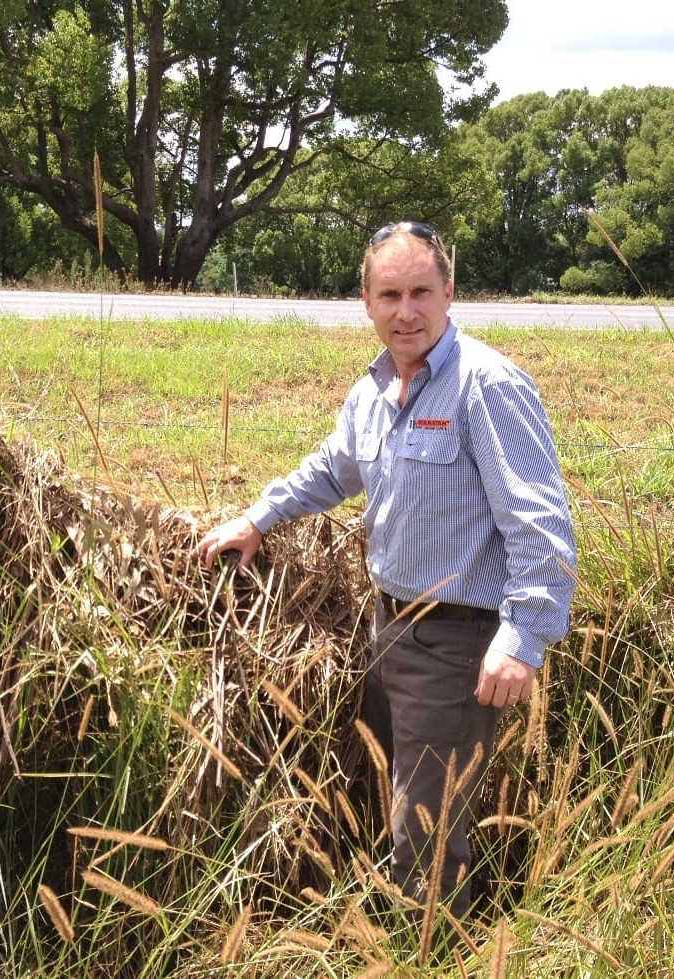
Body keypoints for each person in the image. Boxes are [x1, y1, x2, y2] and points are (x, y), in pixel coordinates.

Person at [196, 220, 576, 934]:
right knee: (383, 807)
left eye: (421, 293)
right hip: (386, 630)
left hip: (457, 645)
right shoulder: (371, 390)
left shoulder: (485, 386)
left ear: (449, 293)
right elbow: (330, 469)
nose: (406, 311)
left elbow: (541, 524)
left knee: (425, 841)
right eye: (389, 294)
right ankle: (395, 942)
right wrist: (256, 518)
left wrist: (522, 637)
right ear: (365, 302)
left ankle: (429, 954)